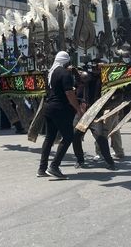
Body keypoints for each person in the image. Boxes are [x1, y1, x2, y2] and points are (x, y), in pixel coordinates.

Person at [38, 51, 83, 179]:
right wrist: (78, 109)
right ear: (67, 61)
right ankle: (54, 166)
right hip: (60, 109)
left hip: (49, 108)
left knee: (49, 138)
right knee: (69, 137)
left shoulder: (52, 72)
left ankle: (42, 168)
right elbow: (69, 94)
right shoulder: (65, 74)